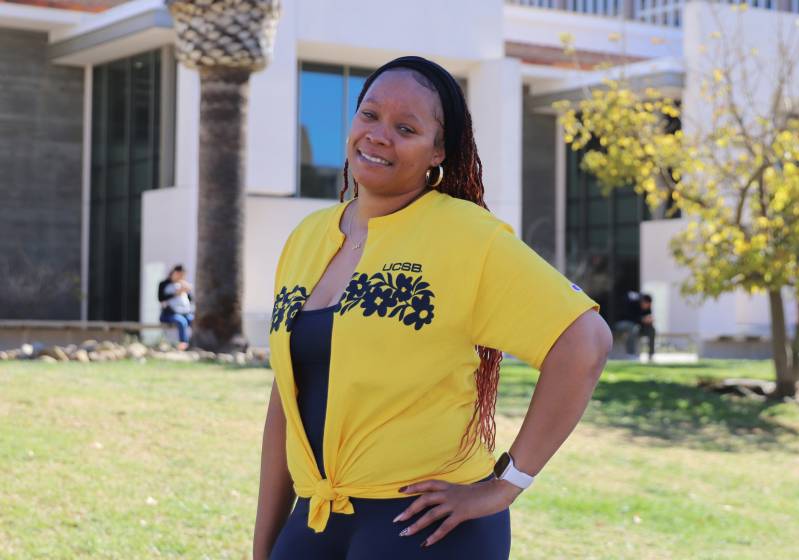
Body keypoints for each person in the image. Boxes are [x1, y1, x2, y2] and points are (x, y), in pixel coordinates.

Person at [253, 56, 612, 560]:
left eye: (406, 127)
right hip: (315, 519)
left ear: (437, 150)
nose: (379, 136)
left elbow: (585, 342)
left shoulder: (466, 236)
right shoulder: (306, 238)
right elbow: (286, 403)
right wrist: (265, 544)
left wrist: (504, 486)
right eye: (370, 115)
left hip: (425, 527)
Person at [157, 264, 194, 351]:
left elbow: (190, 300)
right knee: (181, 321)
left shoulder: (182, 284)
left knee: (194, 320)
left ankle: (192, 343)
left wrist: (187, 290)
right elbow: (161, 298)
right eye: (179, 275)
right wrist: (176, 293)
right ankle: (183, 344)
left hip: (185, 312)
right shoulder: (164, 284)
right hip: (169, 313)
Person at [625, 293, 655, 360]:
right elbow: (631, 318)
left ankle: (651, 354)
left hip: (642, 327)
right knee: (633, 329)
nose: (648, 306)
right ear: (643, 302)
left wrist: (649, 321)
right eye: (646, 304)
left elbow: (648, 318)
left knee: (652, 330)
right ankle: (630, 354)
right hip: (631, 325)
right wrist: (642, 319)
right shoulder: (634, 305)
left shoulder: (648, 308)